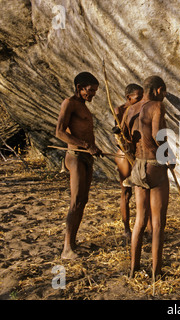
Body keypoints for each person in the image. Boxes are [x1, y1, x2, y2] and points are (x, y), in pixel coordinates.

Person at [124, 76, 173, 279]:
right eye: (164, 93)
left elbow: (126, 141)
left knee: (140, 221)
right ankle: (156, 271)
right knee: (158, 223)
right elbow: (156, 135)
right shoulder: (157, 106)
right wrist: (169, 155)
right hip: (154, 166)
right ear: (159, 90)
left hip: (137, 166)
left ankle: (133, 269)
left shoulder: (131, 109)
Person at [56, 72, 103, 260]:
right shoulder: (69, 103)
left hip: (86, 157)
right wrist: (86, 146)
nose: (92, 95)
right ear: (79, 88)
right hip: (75, 156)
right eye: (90, 91)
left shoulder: (82, 106)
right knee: (75, 202)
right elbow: (59, 132)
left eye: (95, 92)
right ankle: (66, 249)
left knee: (83, 201)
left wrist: (93, 148)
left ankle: (73, 243)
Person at [113, 84, 143, 242]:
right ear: (128, 98)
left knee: (143, 191)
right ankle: (126, 229)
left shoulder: (140, 108)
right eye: (137, 98)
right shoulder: (120, 110)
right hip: (125, 155)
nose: (141, 100)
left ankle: (144, 226)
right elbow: (121, 136)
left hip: (138, 154)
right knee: (126, 192)